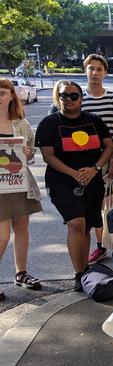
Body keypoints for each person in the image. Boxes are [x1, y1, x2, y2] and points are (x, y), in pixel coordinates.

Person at [35, 81, 113, 291]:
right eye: (64, 96)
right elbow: (48, 156)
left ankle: (84, 270)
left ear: (81, 97)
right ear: (57, 97)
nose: (68, 100)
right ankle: (79, 273)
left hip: (92, 179)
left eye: (73, 96)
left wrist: (95, 169)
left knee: (86, 225)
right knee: (75, 223)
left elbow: (108, 147)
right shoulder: (49, 124)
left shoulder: (94, 121)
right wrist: (74, 174)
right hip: (62, 180)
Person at [81, 54, 113, 266]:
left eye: (99, 69)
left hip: (112, 157)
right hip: (88, 160)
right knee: (95, 204)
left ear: (105, 73)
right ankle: (100, 246)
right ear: (85, 71)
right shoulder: (79, 99)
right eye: (91, 68)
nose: (95, 73)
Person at [0, 78, 43, 300]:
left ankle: (21, 273)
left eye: (3, 93)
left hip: (18, 182)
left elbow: (31, 153)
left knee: (22, 228)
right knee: (2, 235)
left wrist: (28, 153)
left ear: (11, 97)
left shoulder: (21, 124)